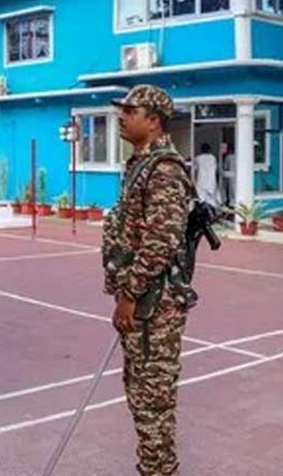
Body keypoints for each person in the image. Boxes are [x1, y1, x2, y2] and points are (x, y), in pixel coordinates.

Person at [102, 84, 194, 476]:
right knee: (141, 395)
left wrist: (129, 294)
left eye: (130, 111)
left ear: (153, 121)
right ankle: (154, 467)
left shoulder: (165, 170)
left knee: (152, 399)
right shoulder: (141, 164)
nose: (122, 117)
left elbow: (160, 241)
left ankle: (160, 471)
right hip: (143, 301)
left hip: (154, 304)